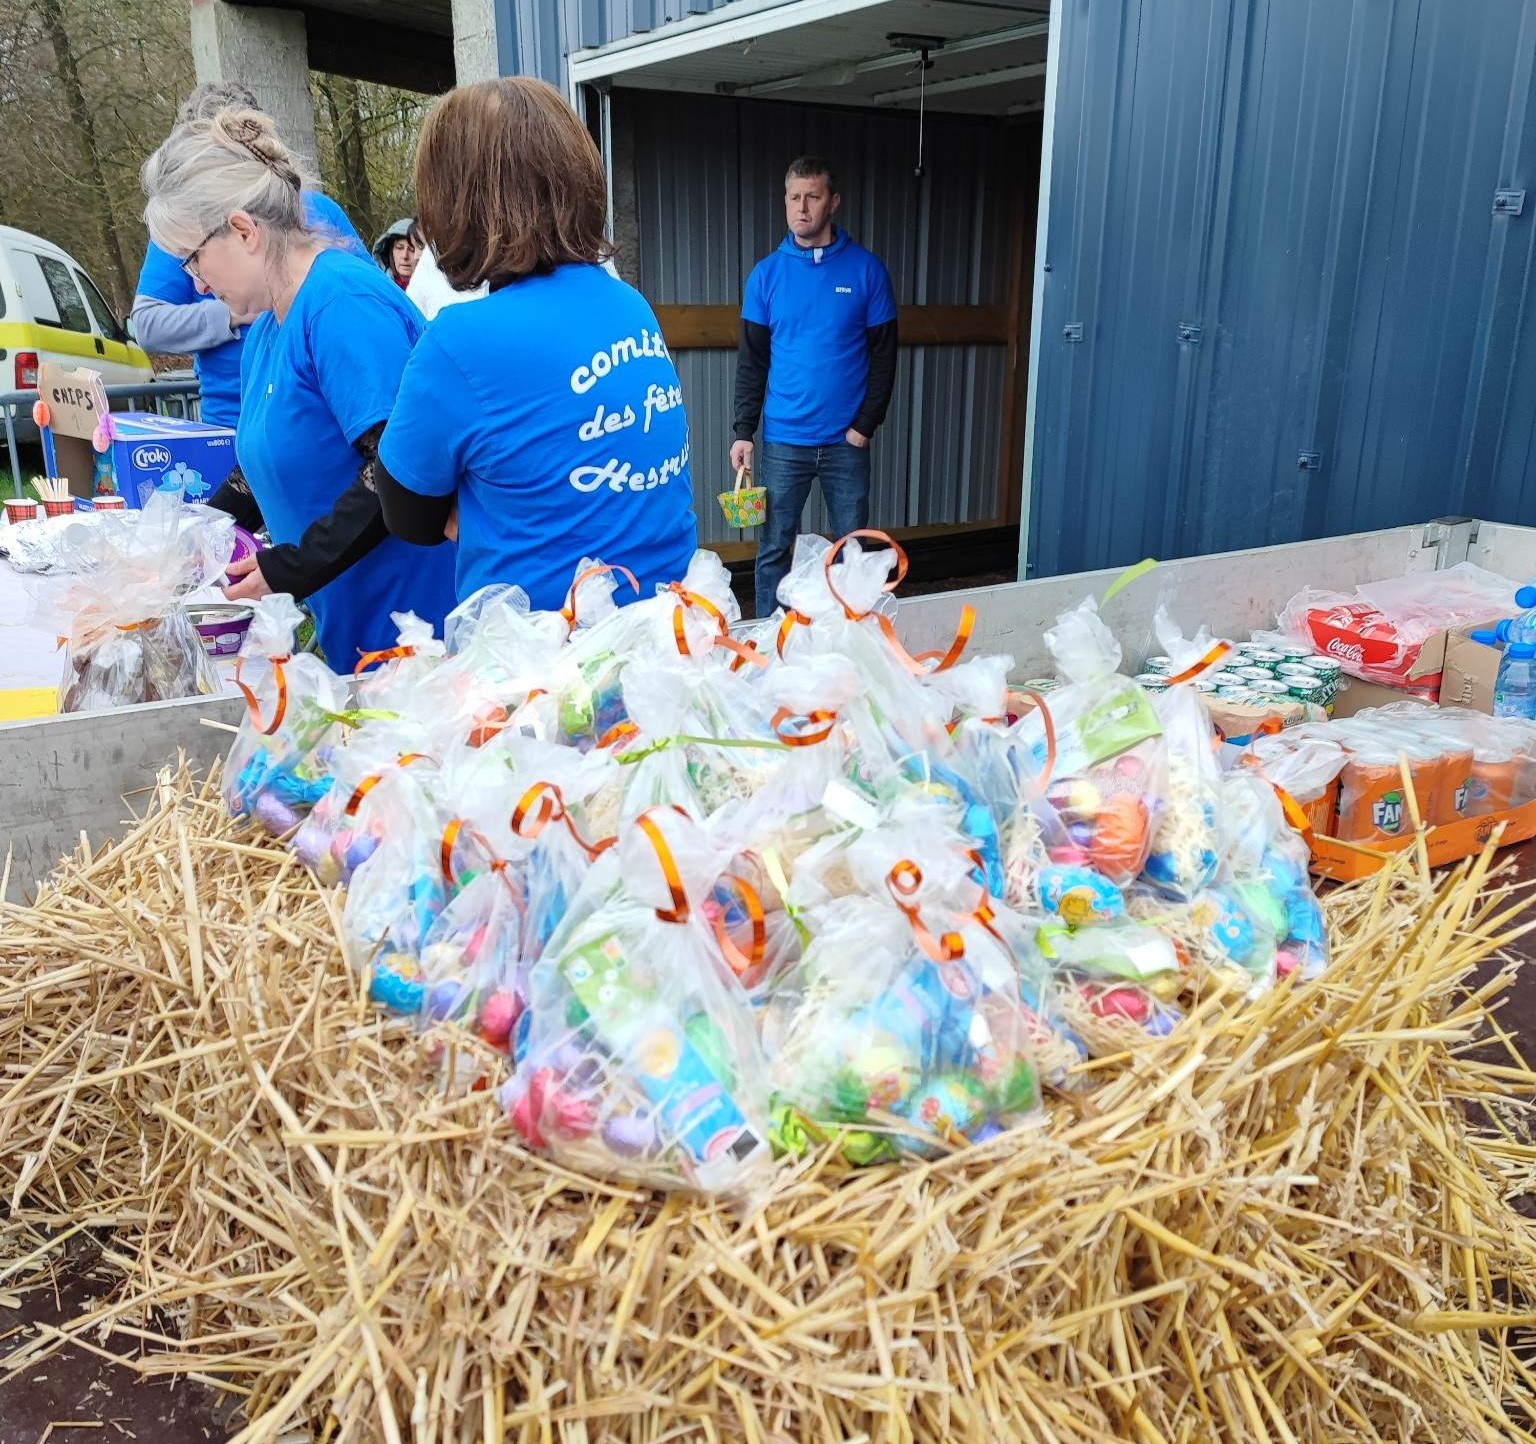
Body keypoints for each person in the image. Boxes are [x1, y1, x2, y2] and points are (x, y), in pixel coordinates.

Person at [140, 107, 458, 665]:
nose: (197, 284)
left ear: (244, 230)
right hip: (352, 621)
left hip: (415, 629)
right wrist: (201, 538)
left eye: (193, 259)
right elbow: (263, 462)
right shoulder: (267, 323)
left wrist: (290, 567)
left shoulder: (341, 304)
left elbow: (395, 466)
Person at [376, 78, 698, 612]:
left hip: (546, 650)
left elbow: (407, 514)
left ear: (457, 202)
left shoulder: (461, 341)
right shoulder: (628, 305)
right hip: (670, 628)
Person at [130, 82, 366, 431]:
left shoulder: (327, 239)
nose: (201, 285)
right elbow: (147, 323)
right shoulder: (184, 228)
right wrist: (231, 313)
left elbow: (365, 317)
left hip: (319, 421)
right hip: (234, 419)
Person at [731, 157, 898, 616]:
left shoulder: (866, 271)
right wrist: (744, 431)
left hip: (847, 442)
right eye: (793, 197)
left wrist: (865, 425)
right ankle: (768, 639)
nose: (801, 208)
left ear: (833, 202)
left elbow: (885, 356)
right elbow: (752, 362)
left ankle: (852, 635)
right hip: (785, 440)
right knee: (773, 549)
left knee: (852, 551)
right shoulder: (766, 275)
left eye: (812, 197)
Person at [373, 218, 422, 289]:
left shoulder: (434, 289)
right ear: (391, 252)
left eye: (412, 250)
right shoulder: (377, 286)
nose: (405, 256)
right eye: (399, 248)